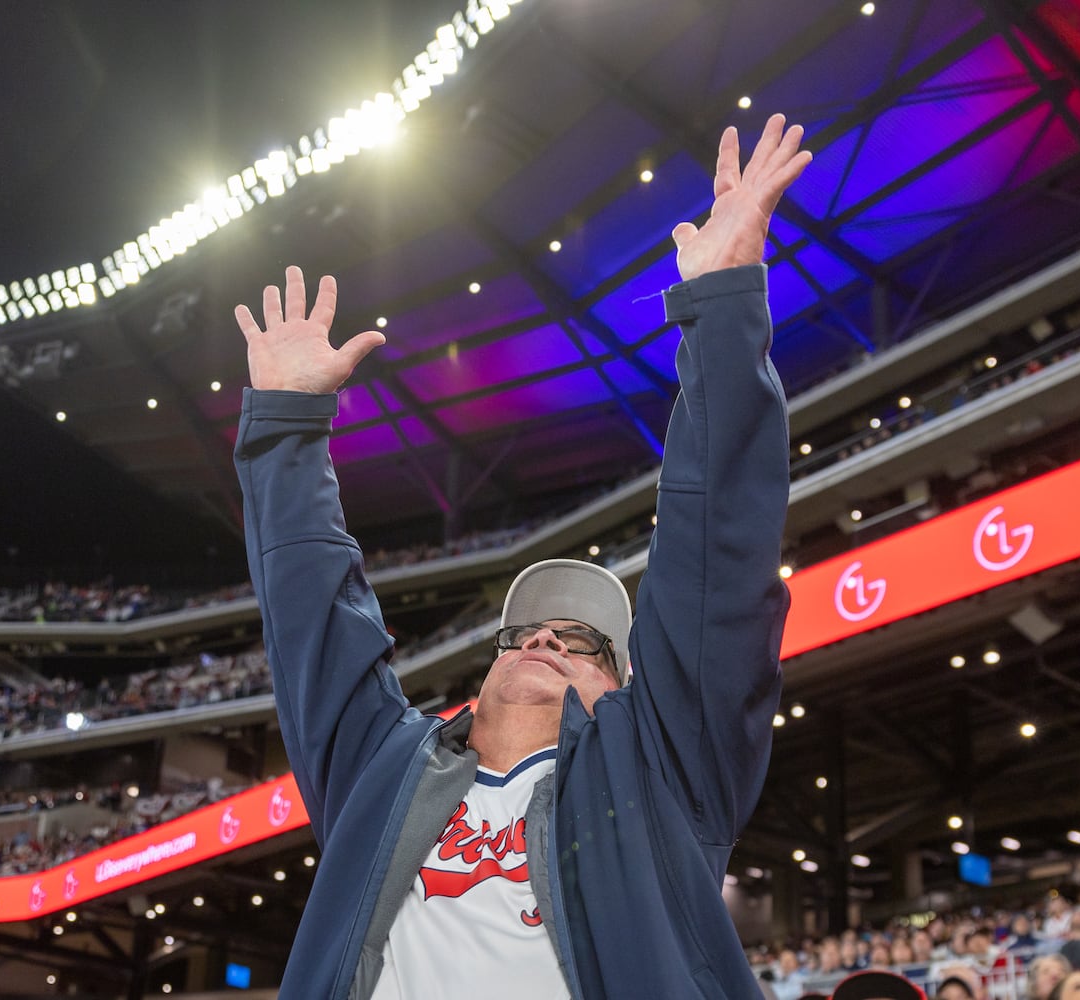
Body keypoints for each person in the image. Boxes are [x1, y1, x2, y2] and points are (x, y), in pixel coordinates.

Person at [232, 116, 810, 998]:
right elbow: (312, 621)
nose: (542, 640)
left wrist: (724, 304)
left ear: (622, 688)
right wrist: (285, 429)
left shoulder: (663, 767)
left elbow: (716, 558)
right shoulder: (383, 768)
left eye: (579, 641)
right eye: (526, 633)